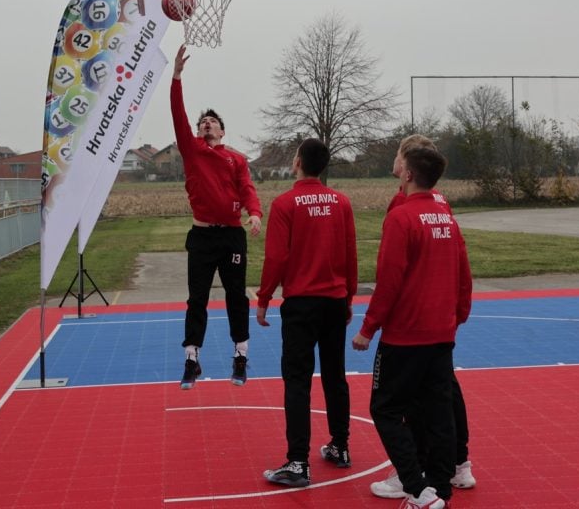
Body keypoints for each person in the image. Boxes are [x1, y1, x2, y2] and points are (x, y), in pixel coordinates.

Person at [353, 146, 473, 509]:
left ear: (407, 175)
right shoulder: (446, 217)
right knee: (438, 413)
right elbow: (463, 270)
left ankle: (416, 487)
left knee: (385, 409)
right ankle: (440, 489)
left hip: (406, 335)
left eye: (400, 161)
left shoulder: (402, 218)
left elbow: (388, 281)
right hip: (440, 332)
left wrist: (368, 328)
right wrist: (459, 312)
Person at [256, 138, 358, 488]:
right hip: (333, 300)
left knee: (297, 380)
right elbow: (350, 254)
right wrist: (348, 299)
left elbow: (277, 258)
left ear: (298, 162)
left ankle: (298, 461)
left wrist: (264, 296)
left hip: (301, 303)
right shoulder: (341, 202)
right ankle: (340, 446)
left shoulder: (285, 204)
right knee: (334, 375)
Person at [170, 44, 263, 388]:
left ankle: (240, 356)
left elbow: (247, 188)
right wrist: (177, 77)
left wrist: (254, 212)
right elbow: (178, 114)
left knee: (236, 296)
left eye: (212, 122)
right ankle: (192, 359)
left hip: (231, 236)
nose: (206, 124)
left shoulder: (236, 159)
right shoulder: (192, 150)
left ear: (222, 131)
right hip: (202, 236)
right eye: (202, 122)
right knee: (197, 298)